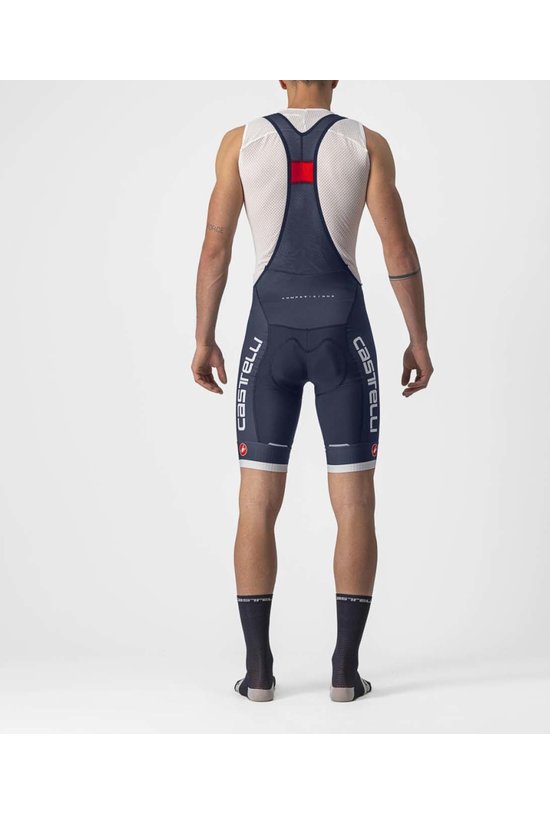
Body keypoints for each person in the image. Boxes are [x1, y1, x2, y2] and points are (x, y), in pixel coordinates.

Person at [192, 80, 433, 702]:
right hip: (344, 336)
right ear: (335, 75)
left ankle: (259, 673)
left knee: (255, 504)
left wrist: (204, 338)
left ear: (281, 76)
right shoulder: (366, 144)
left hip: (266, 336)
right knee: (354, 505)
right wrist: (418, 339)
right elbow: (398, 247)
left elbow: (216, 246)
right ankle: (345, 673)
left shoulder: (240, 143)